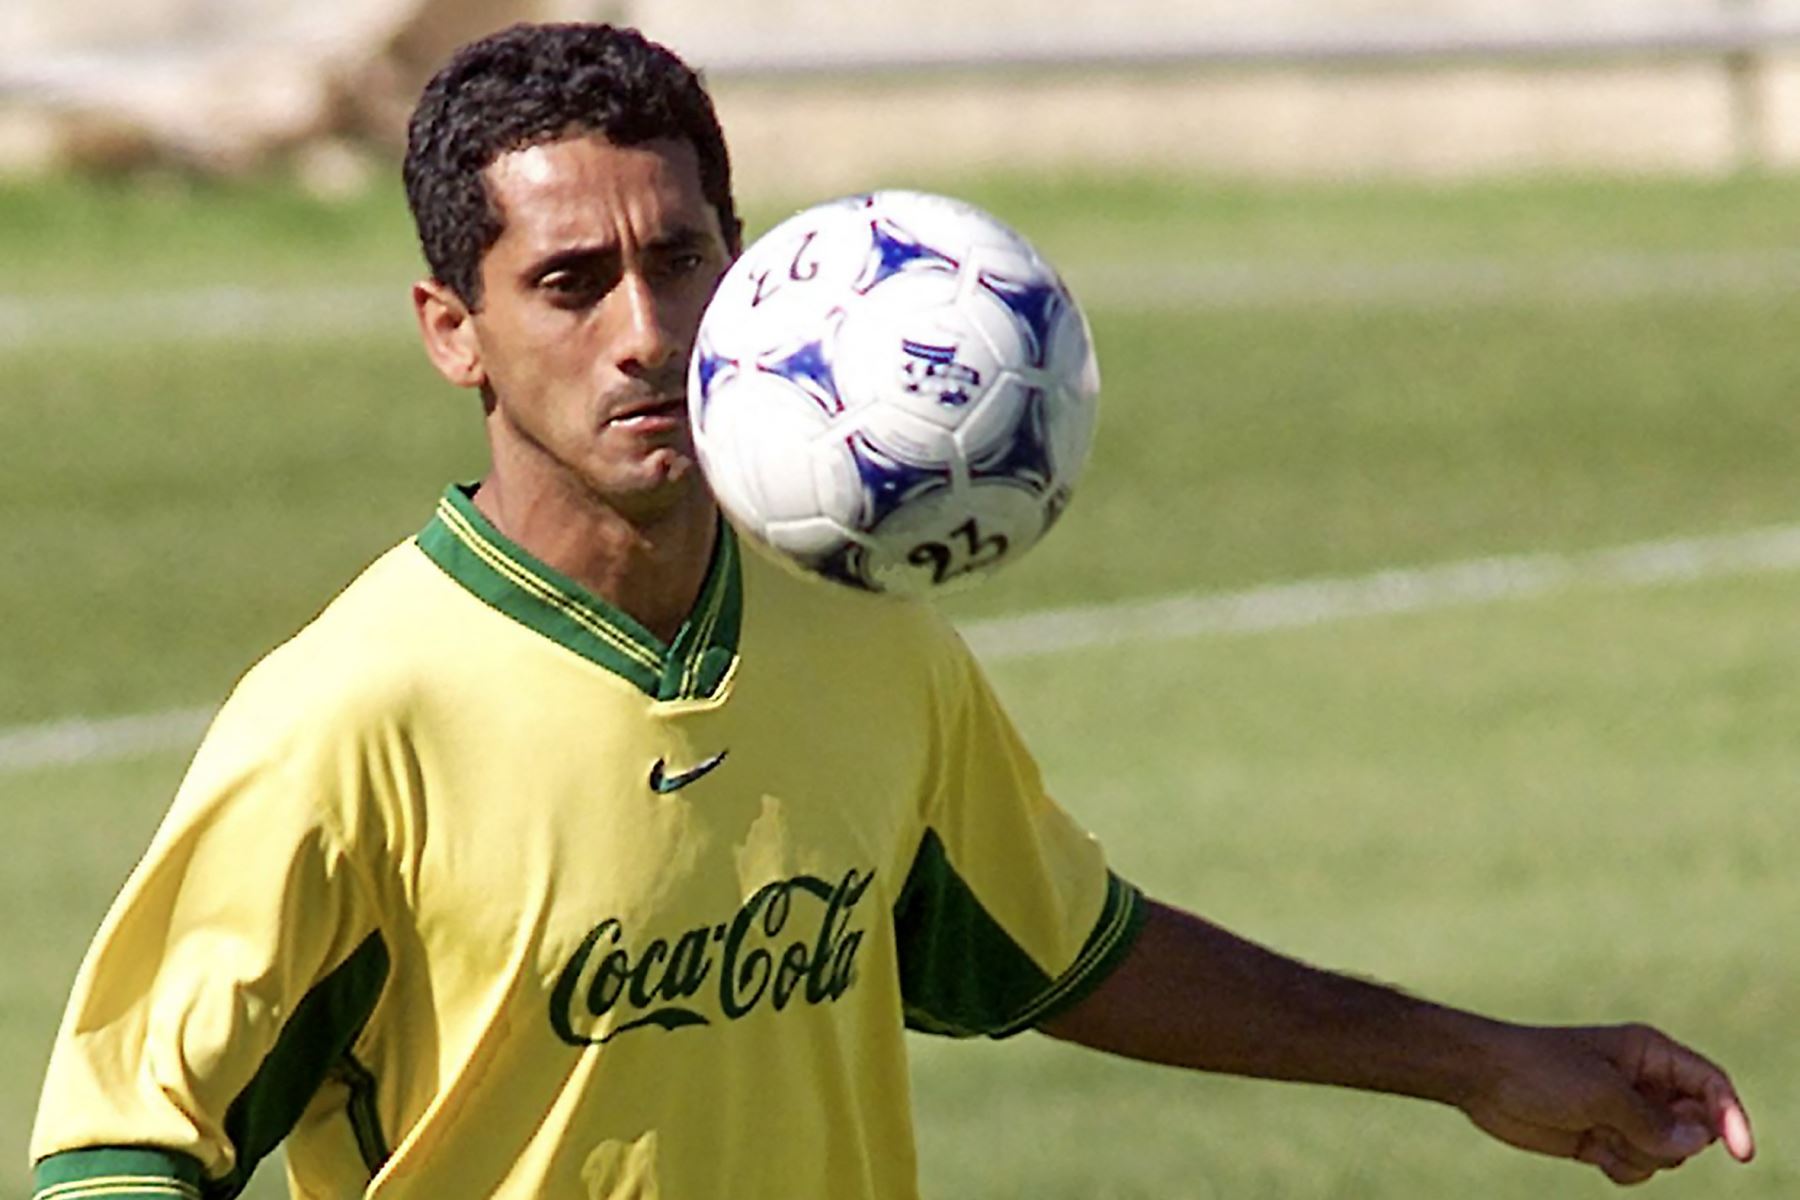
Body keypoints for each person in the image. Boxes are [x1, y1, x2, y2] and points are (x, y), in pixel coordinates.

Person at [30, 22, 1754, 1200]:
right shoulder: (353, 714)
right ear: (450, 329)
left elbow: (1072, 950)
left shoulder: (870, 642)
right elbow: (121, 1143)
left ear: (749, 265)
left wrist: (1474, 1061)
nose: (642, 330)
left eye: (680, 257)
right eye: (569, 282)